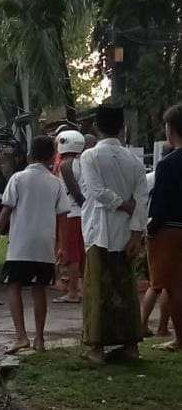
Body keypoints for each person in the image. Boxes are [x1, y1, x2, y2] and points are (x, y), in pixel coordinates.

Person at [80, 104, 148, 364]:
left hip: (100, 231)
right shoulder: (134, 160)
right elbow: (142, 200)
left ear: (96, 127)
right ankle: (131, 345)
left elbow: (97, 191)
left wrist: (121, 203)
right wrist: (135, 233)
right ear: (123, 128)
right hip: (127, 232)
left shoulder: (90, 157)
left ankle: (95, 348)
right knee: (126, 289)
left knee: (97, 288)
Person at [0, 135, 70, 354]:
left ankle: (21, 336)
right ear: (52, 157)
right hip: (44, 245)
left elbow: (6, 210)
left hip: (20, 245)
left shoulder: (18, 178)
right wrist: (62, 246)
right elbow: (63, 217)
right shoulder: (56, 183)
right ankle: (40, 339)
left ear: (29, 156)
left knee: (14, 286)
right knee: (39, 289)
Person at [147, 104, 182, 350]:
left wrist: (150, 229)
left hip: (170, 229)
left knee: (173, 285)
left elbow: (158, 203)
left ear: (171, 130)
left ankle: (180, 339)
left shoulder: (168, 164)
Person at [141, 143, 172, 338]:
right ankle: (160, 326)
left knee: (158, 281)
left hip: (151, 227)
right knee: (165, 283)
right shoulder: (166, 174)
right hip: (165, 228)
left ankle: (146, 324)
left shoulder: (149, 177)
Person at [53, 130, 86, 304]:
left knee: (71, 254)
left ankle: (73, 291)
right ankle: (84, 289)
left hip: (70, 214)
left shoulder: (65, 165)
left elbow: (74, 192)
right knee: (81, 254)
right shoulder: (83, 162)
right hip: (83, 215)